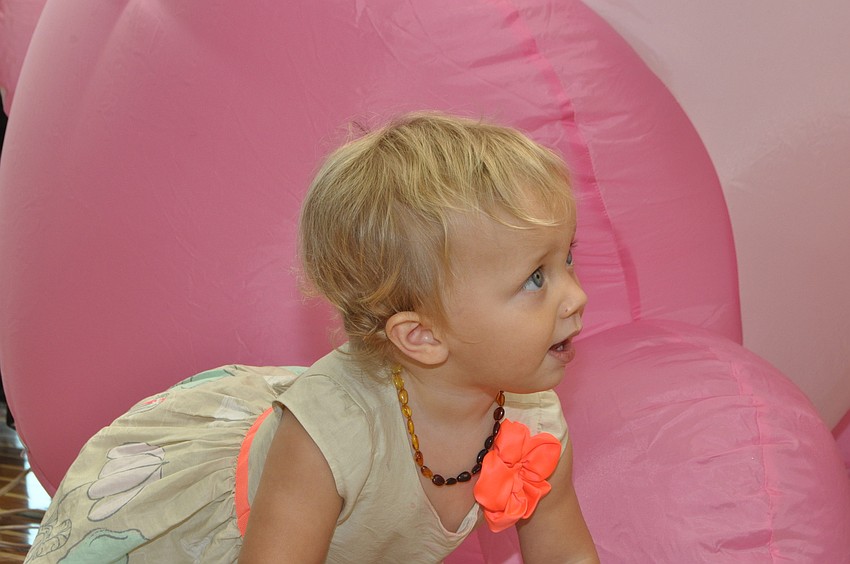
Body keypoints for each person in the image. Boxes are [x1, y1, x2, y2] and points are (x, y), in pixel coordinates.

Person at [25, 112, 599, 563]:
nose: (575, 296)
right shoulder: (329, 438)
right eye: (535, 279)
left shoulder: (533, 418)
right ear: (422, 336)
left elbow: (566, 553)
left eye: (567, 259)